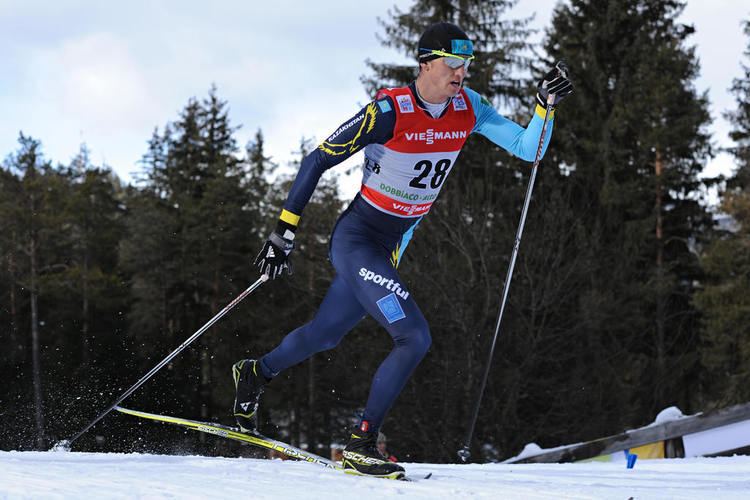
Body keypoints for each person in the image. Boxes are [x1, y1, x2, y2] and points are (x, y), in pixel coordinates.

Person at [232, 21, 572, 479]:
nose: (461, 74)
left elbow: (527, 149)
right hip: (357, 240)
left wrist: (543, 107)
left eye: (467, 65)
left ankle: (256, 373)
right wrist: (283, 232)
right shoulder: (388, 112)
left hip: (389, 248)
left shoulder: (469, 108)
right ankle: (361, 443)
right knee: (414, 337)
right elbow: (317, 160)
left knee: (326, 334)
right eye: (452, 64)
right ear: (426, 63)